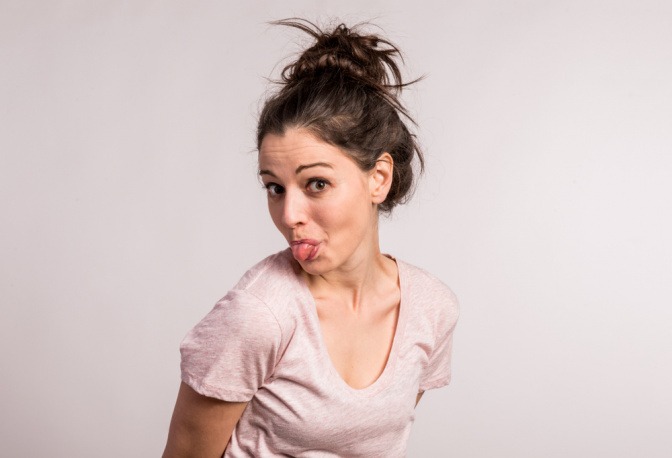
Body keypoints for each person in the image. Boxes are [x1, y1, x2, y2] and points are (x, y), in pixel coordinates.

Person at [163, 18, 459, 457]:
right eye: (274, 187)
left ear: (378, 178)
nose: (289, 215)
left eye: (316, 183)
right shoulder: (259, 316)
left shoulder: (431, 309)